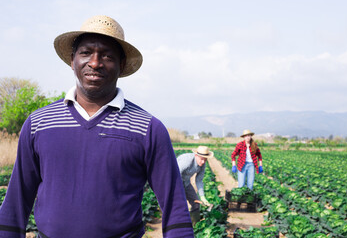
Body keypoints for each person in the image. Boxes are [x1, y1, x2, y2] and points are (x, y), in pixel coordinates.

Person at [0, 15, 194, 238]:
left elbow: (174, 205)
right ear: (72, 60)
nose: (95, 62)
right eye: (86, 53)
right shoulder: (39, 123)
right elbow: (16, 200)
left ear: (121, 65)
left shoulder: (147, 128)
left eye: (107, 56)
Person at [177, 146, 213, 225]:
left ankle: (195, 225)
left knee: (196, 203)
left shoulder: (202, 165)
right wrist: (179, 192)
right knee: (178, 205)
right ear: (196, 155)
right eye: (202, 159)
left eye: (205, 159)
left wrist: (202, 196)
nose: (203, 161)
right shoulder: (187, 161)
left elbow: (199, 180)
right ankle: (177, 225)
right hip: (174, 182)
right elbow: (175, 175)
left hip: (186, 182)